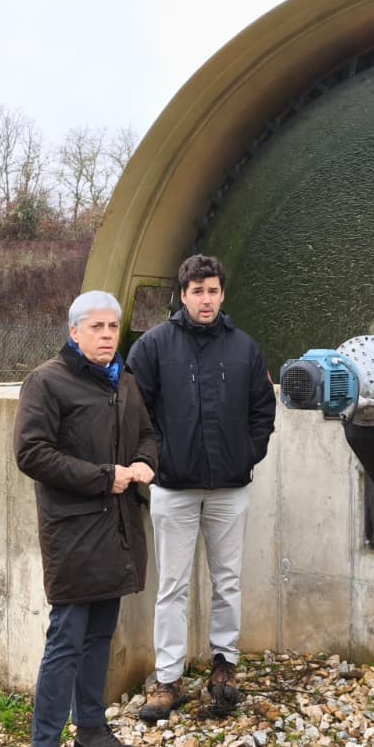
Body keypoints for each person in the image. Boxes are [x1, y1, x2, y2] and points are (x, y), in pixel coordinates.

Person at [14, 291, 158, 747]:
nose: (105, 335)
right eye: (96, 326)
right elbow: (31, 453)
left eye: (113, 326)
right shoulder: (48, 381)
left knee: (100, 635)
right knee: (66, 641)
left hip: (118, 529)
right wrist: (105, 477)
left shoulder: (125, 383)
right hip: (74, 534)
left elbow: (147, 435)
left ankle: (92, 735)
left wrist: (144, 463)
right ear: (74, 331)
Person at [126, 254, 276, 722]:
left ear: (222, 294)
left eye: (212, 291)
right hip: (173, 486)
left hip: (230, 487)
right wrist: (160, 458)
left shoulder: (244, 349)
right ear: (183, 295)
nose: (205, 300)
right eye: (197, 292)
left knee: (227, 580)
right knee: (172, 584)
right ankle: (168, 679)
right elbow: (134, 411)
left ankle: (224, 667)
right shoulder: (153, 347)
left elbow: (262, 411)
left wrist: (246, 454)